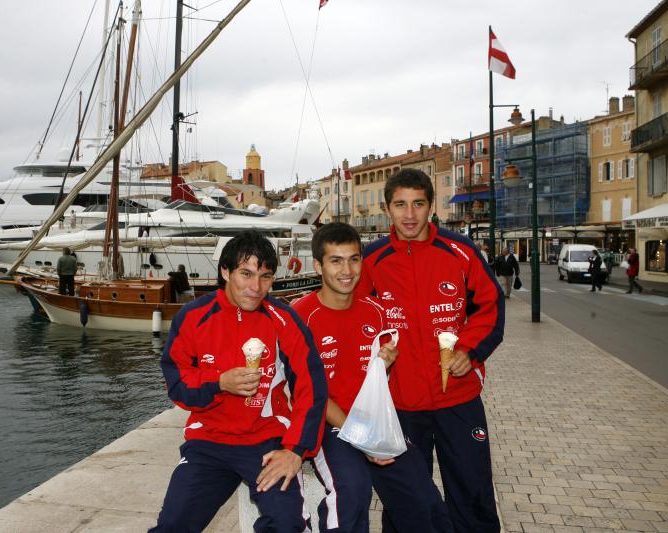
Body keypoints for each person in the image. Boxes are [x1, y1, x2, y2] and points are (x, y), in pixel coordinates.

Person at [357, 168, 504, 533]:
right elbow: (353, 321)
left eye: (418, 204)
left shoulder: (460, 251)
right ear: (387, 209)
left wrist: (469, 352)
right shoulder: (371, 261)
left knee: (473, 493)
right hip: (400, 406)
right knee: (407, 502)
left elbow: (490, 307)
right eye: (401, 205)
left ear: (431, 206)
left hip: (458, 398)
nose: (409, 215)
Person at [150, 230, 327, 533]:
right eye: (246, 274)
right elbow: (177, 384)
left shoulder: (284, 319)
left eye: (265, 277)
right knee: (171, 525)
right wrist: (219, 383)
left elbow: (313, 389)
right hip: (208, 442)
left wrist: (296, 451)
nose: (256, 287)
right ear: (225, 271)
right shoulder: (193, 317)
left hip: (266, 442)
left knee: (287, 524)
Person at [293, 223, 452, 533]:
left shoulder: (376, 312)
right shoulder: (301, 317)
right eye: (336, 260)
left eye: (354, 259)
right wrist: (362, 436)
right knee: (351, 490)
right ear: (318, 265)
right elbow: (310, 394)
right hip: (330, 427)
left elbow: (375, 382)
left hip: (375, 421)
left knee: (424, 497)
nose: (347, 270)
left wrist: (386, 365)